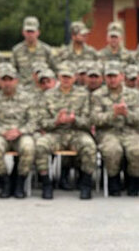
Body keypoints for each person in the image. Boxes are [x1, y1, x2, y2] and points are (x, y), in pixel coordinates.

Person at [35, 62, 97, 200]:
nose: (66, 80)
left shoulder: (83, 95)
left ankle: (86, 184)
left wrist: (75, 120)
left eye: (69, 77)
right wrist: (57, 121)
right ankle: (46, 183)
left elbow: (89, 121)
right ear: (58, 77)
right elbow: (41, 121)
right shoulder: (48, 95)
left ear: (74, 78)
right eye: (63, 77)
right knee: (40, 145)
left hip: (77, 132)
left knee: (89, 146)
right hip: (56, 133)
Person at [0, 64, 36, 198]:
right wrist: (2, 132)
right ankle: (5, 180)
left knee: (28, 147)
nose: (7, 83)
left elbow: (34, 121)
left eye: (10, 79)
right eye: (4, 80)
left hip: (21, 133)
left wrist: (20, 131)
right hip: (1, 134)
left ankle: (20, 182)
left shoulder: (28, 98)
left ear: (16, 80)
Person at [91, 60, 139, 197]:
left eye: (115, 76)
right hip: (108, 132)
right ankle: (114, 181)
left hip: (130, 131)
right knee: (112, 150)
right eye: (109, 77)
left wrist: (126, 114)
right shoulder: (98, 95)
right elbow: (95, 119)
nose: (112, 80)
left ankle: (134, 182)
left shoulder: (134, 95)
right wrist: (113, 114)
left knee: (136, 150)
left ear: (122, 76)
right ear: (105, 78)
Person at [11, 16, 54, 87]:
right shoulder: (16, 50)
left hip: (42, 88)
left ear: (38, 32)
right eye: (28, 32)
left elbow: (53, 69)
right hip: (23, 89)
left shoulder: (46, 49)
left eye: (32, 32)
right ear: (23, 32)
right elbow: (13, 72)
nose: (30, 35)